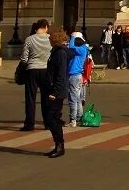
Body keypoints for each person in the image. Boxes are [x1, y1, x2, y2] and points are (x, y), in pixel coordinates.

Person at [42, 29, 70, 158]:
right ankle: (58, 144)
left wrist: (54, 91)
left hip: (57, 91)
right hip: (54, 89)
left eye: (51, 38)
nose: (49, 40)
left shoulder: (60, 53)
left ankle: (60, 145)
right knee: (53, 118)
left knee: (51, 118)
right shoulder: (56, 52)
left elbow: (60, 75)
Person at [20, 19, 51, 131]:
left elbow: (24, 58)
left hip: (32, 70)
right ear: (46, 27)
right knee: (46, 98)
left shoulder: (29, 39)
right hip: (46, 70)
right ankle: (48, 123)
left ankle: (29, 124)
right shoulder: (50, 39)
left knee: (30, 98)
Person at [66, 35, 89, 126]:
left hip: (74, 76)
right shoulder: (83, 49)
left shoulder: (81, 49)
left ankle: (73, 120)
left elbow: (71, 46)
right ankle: (79, 116)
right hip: (78, 76)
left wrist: (72, 37)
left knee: (73, 99)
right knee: (78, 98)